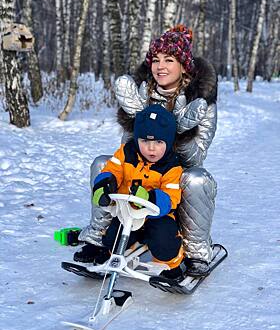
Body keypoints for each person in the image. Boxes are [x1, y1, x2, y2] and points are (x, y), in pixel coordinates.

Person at [76, 24, 217, 277]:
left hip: (175, 171)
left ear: (184, 66)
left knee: (198, 180)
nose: (160, 66)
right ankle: (98, 237)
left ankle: (195, 251)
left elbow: (197, 157)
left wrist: (178, 131)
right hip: (141, 167)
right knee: (102, 164)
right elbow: (127, 148)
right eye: (156, 59)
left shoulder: (202, 103)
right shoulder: (141, 93)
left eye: (169, 60)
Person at [83, 104, 185, 281]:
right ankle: (117, 252)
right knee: (113, 237)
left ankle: (171, 263)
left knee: (164, 241)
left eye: (158, 142)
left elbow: (171, 198)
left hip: (157, 216)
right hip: (127, 213)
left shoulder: (172, 166)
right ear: (137, 139)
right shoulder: (125, 153)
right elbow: (112, 170)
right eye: (145, 141)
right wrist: (104, 185)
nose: (151, 148)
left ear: (168, 142)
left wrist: (150, 198)